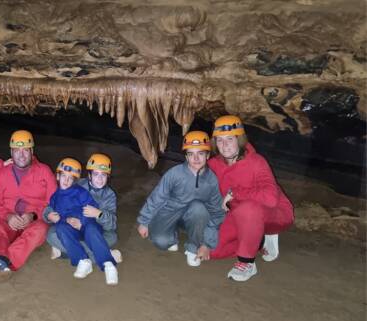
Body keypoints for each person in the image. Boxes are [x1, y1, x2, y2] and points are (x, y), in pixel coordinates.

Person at [207, 115, 294, 281]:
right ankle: (259, 241)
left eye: (230, 139)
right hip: (237, 214)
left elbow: (270, 199)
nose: (224, 145)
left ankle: (247, 262)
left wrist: (235, 193)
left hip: (274, 213)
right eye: (219, 140)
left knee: (248, 209)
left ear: (239, 139)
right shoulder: (214, 164)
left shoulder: (256, 162)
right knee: (211, 250)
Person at [0, 130, 57, 281]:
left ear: (32, 151)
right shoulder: (2, 173)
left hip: (33, 221)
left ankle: (2, 262)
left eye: (25, 150)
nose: (21, 155)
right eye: (17, 150)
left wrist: (33, 215)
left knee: (39, 231)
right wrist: (7, 216)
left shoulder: (44, 172)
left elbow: (54, 202)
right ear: (11, 152)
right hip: (8, 218)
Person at [136, 131, 225, 267]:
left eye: (200, 153)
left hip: (193, 216)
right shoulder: (175, 174)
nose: (196, 158)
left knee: (199, 208)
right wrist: (144, 220)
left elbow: (217, 212)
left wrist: (207, 243)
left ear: (207, 155)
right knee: (161, 242)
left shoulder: (211, 180)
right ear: (186, 156)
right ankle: (172, 236)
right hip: (170, 212)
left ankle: (192, 248)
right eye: (191, 154)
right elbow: (157, 197)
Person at [44, 158, 119, 285]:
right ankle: (98, 254)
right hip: (71, 227)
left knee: (109, 237)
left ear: (108, 177)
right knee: (53, 234)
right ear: (89, 174)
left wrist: (98, 214)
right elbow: (54, 205)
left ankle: (106, 262)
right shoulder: (77, 184)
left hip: (95, 229)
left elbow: (112, 224)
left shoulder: (109, 195)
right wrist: (48, 215)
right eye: (96, 174)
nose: (99, 179)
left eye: (103, 175)